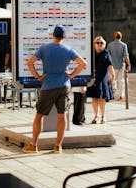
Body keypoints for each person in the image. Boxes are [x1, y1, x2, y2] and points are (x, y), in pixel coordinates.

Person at [23, 25, 87, 153]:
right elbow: (83, 64)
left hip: (48, 86)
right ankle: (58, 146)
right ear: (64, 37)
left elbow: (30, 62)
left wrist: (38, 76)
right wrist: (71, 75)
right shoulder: (68, 49)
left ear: (53, 35)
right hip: (64, 85)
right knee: (61, 115)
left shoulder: (44, 48)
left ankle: (34, 145)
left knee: (39, 116)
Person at [86, 36, 115, 124]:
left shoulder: (106, 53)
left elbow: (110, 65)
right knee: (94, 98)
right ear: (94, 44)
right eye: (97, 43)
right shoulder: (91, 54)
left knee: (102, 98)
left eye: (101, 43)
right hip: (93, 79)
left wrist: (113, 76)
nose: (99, 44)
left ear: (104, 45)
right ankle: (96, 116)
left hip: (103, 79)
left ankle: (103, 116)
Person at [107, 31, 131, 100]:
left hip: (112, 65)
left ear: (114, 36)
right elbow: (126, 56)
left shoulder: (110, 44)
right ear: (121, 37)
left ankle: (112, 93)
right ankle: (121, 95)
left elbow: (108, 55)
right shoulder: (124, 45)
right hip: (121, 65)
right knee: (121, 80)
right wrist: (128, 64)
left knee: (113, 79)